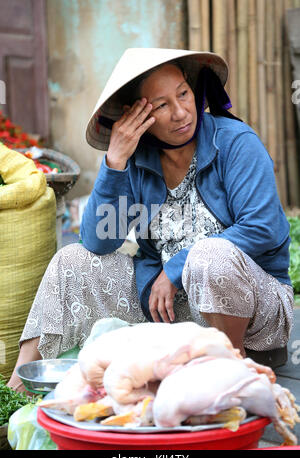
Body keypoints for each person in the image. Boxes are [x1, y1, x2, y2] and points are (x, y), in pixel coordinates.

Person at [7, 48, 294, 391]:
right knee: (72, 260)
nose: (180, 112)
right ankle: (18, 389)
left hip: (253, 311)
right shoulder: (137, 160)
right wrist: (115, 161)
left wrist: (174, 270)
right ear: (136, 116)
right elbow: (99, 240)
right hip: (169, 311)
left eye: (183, 94)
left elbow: (262, 227)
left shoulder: (234, 144)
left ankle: (230, 375)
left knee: (209, 258)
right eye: (160, 105)